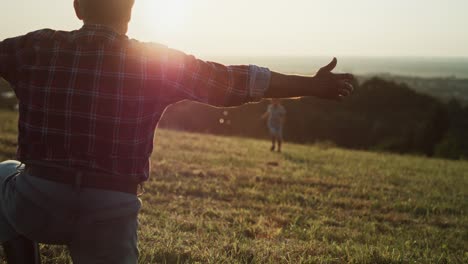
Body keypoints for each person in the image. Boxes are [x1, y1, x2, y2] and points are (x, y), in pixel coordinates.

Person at [0, 0, 355, 263]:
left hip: (37, 198)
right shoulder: (154, 62)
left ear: (78, 8)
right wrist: (312, 85)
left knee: (5, 173)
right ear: (129, 11)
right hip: (111, 210)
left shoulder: (35, 46)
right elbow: (236, 81)